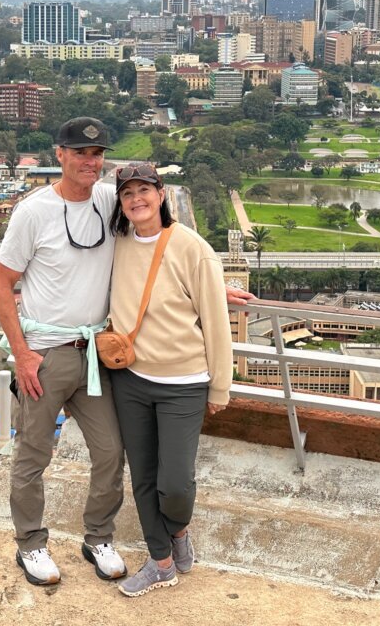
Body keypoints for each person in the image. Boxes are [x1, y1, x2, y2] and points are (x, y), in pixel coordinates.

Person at [0, 118, 251, 588]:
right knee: (33, 453)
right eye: (80, 154)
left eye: (97, 155)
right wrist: (22, 354)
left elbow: (157, 246)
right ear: (60, 155)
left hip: (97, 353)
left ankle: (98, 537)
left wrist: (213, 286)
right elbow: (2, 284)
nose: (90, 162)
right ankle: (30, 544)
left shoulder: (111, 201)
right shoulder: (33, 212)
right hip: (46, 353)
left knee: (111, 453)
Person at [105, 162, 232, 598]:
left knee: (174, 481)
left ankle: (178, 530)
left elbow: (215, 319)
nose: (136, 199)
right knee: (141, 474)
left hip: (184, 382)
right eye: (127, 194)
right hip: (131, 378)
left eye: (145, 190)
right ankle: (160, 561)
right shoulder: (117, 243)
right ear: (120, 203)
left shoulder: (192, 248)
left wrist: (220, 386)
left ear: (162, 195)